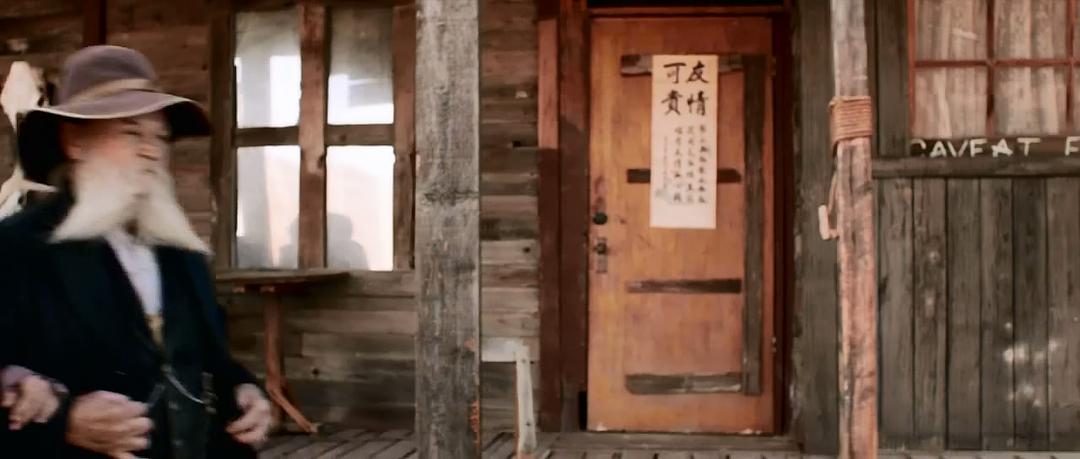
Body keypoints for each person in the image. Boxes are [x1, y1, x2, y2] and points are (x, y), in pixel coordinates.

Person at [0, 45, 272, 458]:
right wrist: (64, 423)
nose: (152, 151)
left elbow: (206, 362)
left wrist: (245, 390)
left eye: (160, 137)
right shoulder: (17, 248)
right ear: (75, 142)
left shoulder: (181, 251)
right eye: (131, 133)